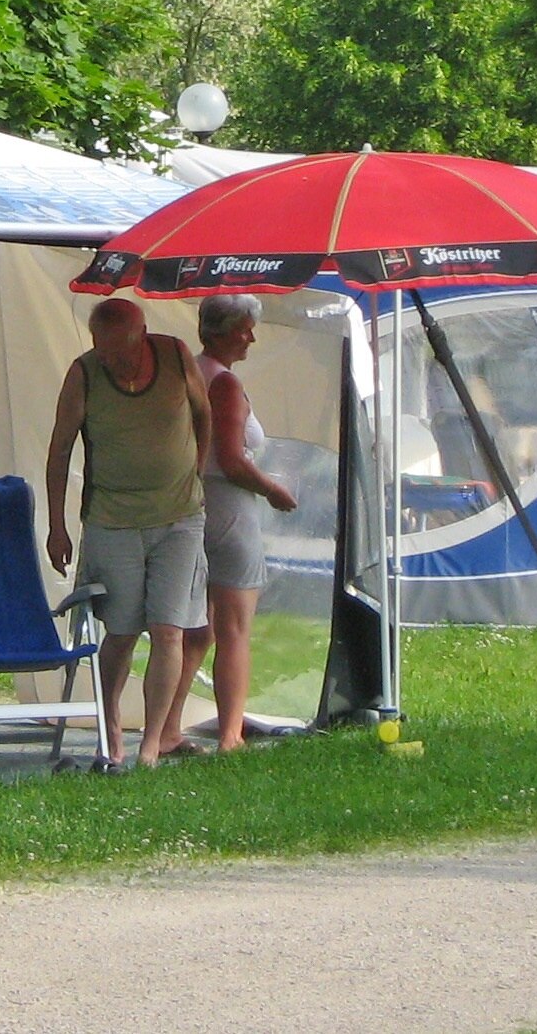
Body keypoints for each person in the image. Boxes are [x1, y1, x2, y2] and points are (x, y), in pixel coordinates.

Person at [45, 296, 211, 771]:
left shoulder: (177, 357)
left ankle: (152, 744)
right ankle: (112, 727)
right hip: (111, 520)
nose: (113, 361)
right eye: (104, 350)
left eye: (121, 351)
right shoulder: (84, 374)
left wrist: (195, 470)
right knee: (120, 632)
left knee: (168, 629)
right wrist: (58, 526)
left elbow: (204, 414)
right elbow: (59, 452)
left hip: (179, 518)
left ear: (142, 335)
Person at [191, 294, 298, 753]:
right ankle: (231, 734)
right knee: (234, 628)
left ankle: (169, 725)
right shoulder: (226, 384)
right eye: (245, 328)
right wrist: (273, 489)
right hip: (230, 508)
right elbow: (231, 458)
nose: (252, 336)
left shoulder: (188, 370)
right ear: (223, 332)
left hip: (190, 504)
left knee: (194, 628)